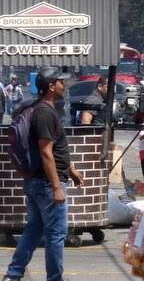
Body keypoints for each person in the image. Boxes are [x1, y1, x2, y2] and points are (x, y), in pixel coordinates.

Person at [4, 67, 84, 281]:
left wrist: (71, 169)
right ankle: (54, 279)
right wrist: (57, 186)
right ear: (50, 86)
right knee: (56, 234)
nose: (64, 85)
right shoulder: (45, 113)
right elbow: (46, 152)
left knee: (34, 229)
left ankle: (13, 274)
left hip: (36, 182)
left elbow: (55, 151)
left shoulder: (40, 109)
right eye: (60, 82)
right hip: (48, 184)